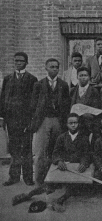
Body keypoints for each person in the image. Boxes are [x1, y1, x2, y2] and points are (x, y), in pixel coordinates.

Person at [30, 58, 71, 187]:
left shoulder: (63, 85)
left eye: (56, 67)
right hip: (43, 120)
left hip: (58, 120)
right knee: (41, 152)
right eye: (51, 67)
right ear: (46, 68)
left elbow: (67, 104)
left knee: (56, 151)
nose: (54, 69)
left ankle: (55, 181)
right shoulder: (38, 84)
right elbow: (33, 105)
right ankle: (39, 182)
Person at [0, 52, 37, 186]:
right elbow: (3, 99)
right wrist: (2, 117)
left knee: (26, 148)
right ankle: (14, 177)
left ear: (26, 63)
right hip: (11, 120)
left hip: (26, 120)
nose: (18, 63)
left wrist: (32, 120)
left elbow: (34, 101)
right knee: (14, 149)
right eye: (16, 61)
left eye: (21, 61)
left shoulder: (32, 79)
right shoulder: (8, 79)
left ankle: (28, 177)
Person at [50, 113, 91, 212]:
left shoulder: (84, 138)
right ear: (67, 124)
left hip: (77, 168)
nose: (73, 125)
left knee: (75, 186)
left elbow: (87, 154)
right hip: (65, 166)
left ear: (79, 124)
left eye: (75, 123)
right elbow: (55, 152)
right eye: (71, 123)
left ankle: (61, 200)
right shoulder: (62, 137)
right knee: (51, 182)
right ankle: (27, 195)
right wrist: (59, 161)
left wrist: (83, 164)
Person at [70, 66, 102, 140]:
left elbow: (96, 110)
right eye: (81, 75)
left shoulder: (94, 91)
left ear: (89, 77)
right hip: (75, 122)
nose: (83, 78)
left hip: (89, 122)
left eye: (85, 75)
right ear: (77, 77)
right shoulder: (72, 91)